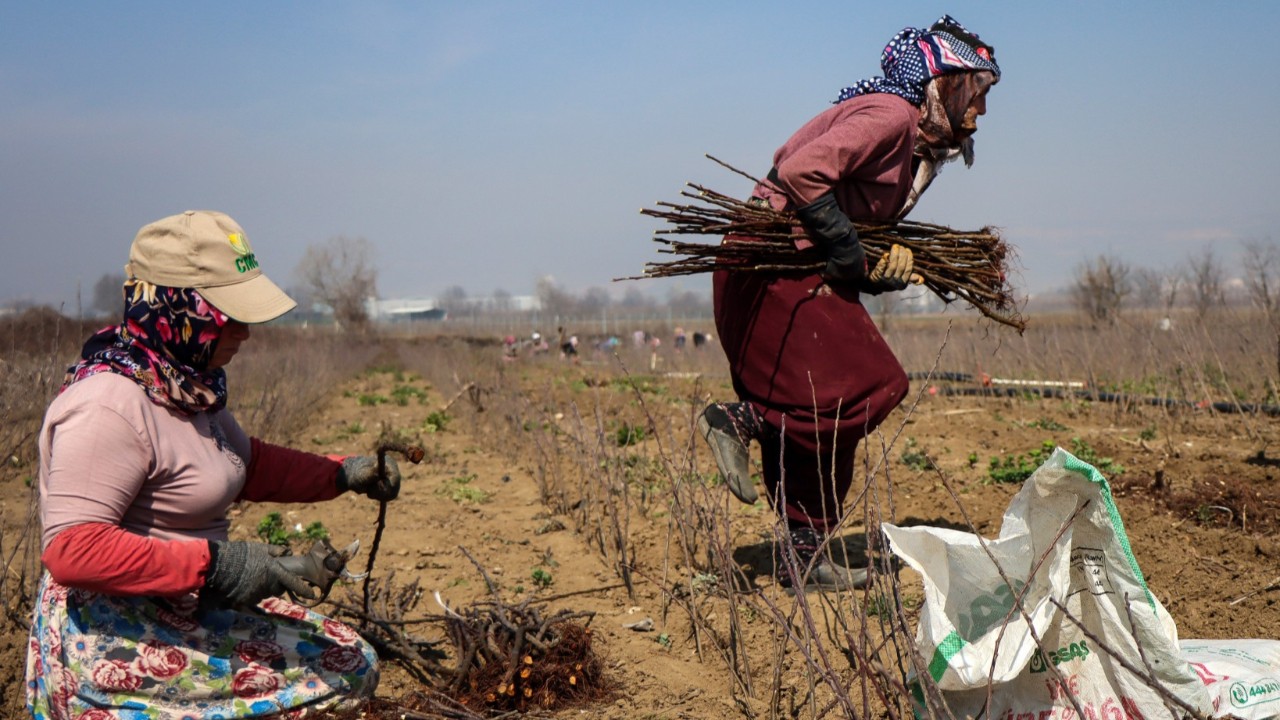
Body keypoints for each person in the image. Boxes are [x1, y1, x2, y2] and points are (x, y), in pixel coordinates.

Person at [26, 210, 403, 718]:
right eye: (231, 315)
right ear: (182, 311)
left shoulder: (184, 388)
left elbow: (244, 464)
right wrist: (219, 566)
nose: (245, 332)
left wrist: (341, 473)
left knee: (350, 657)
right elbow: (74, 549)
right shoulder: (108, 405)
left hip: (182, 601)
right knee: (340, 675)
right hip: (115, 627)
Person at [699, 15, 999, 591]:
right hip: (770, 261)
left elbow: (850, 234)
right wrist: (844, 248)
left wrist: (876, 271)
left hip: (793, 264)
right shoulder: (891, 116)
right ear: (946, 79)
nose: (982, 110)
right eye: (978, 92)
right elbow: (799, 172)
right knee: (871, 383)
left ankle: (804, 560)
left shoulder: (918, 151)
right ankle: (741, 420)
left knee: (822, 413)